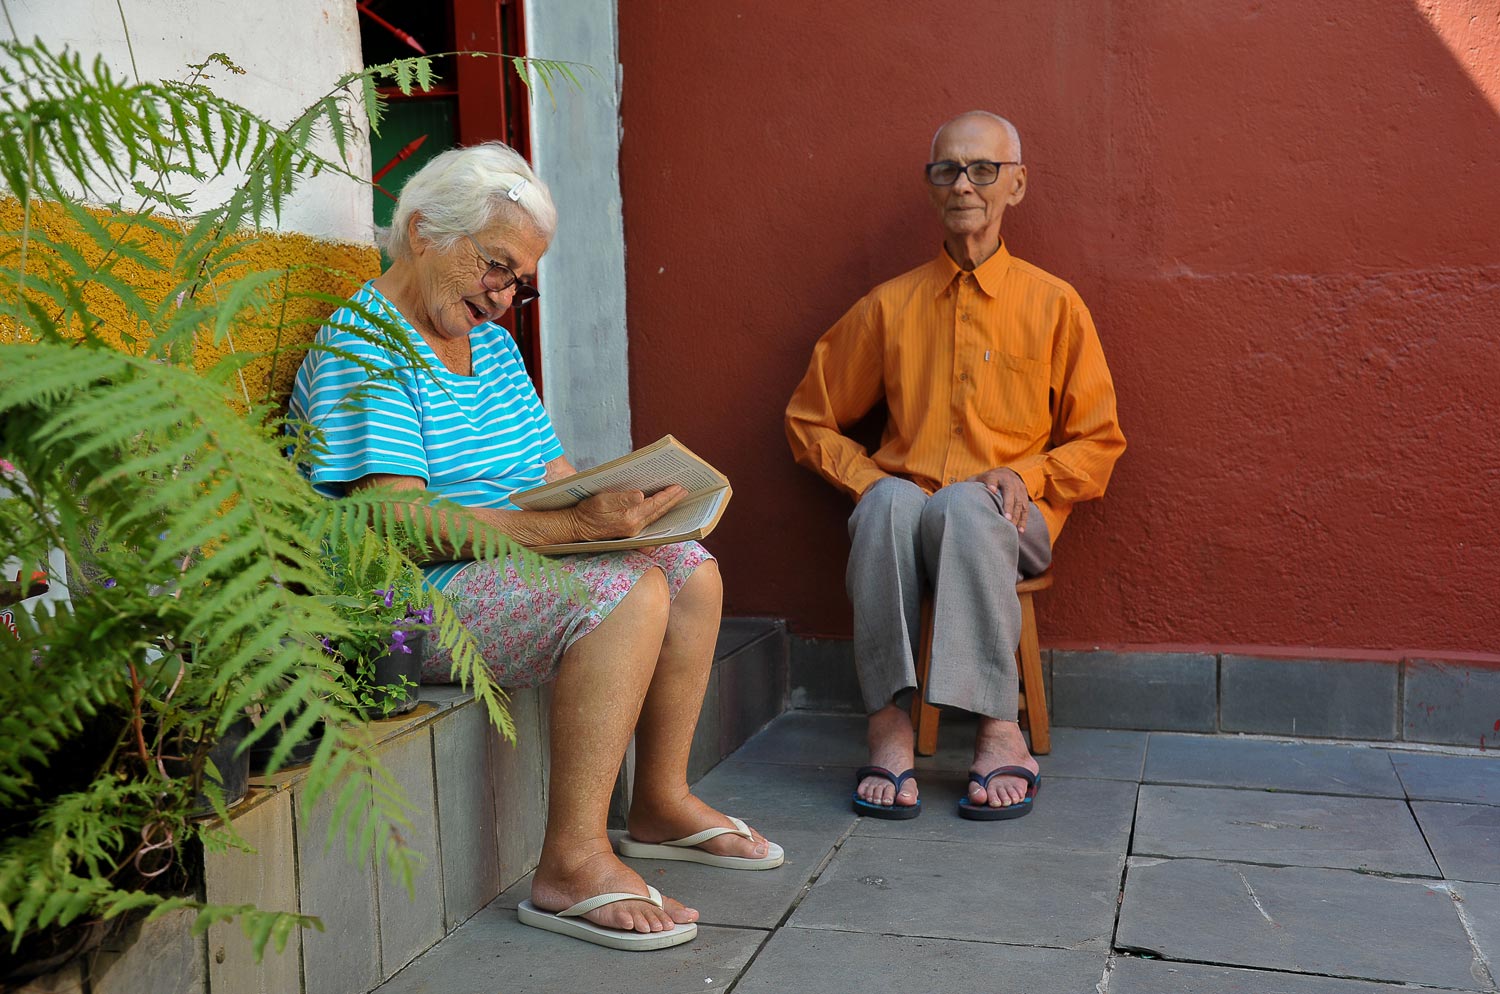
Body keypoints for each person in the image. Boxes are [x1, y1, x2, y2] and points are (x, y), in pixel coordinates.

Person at [290, 142, 781, 951]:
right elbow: (394, 526)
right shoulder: (364, 342)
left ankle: (659, 802)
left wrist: (631, 508)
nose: (504, 294)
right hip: (402, 600)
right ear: (422, 232)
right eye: (496, 265)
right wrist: (579, 532)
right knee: (626, 593)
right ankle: (571, 864)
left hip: (499, 563)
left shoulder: (491, 347)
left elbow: (551, 476)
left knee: (688, 572)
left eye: (520, 280)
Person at [785, 112, 1125, 821]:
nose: (964, 184)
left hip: (1011, 520)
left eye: (983, 170)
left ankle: (1000, 729)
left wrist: (1027, 476)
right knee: (887, 503)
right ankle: (888, 724)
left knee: (968, 505)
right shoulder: (890, 306)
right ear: (931, 187)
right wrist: (869, 480)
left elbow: (1099, 442)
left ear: (1016, 185)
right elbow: (808, 418)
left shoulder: (1054, 304)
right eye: (947, 170)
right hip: (909, 516)